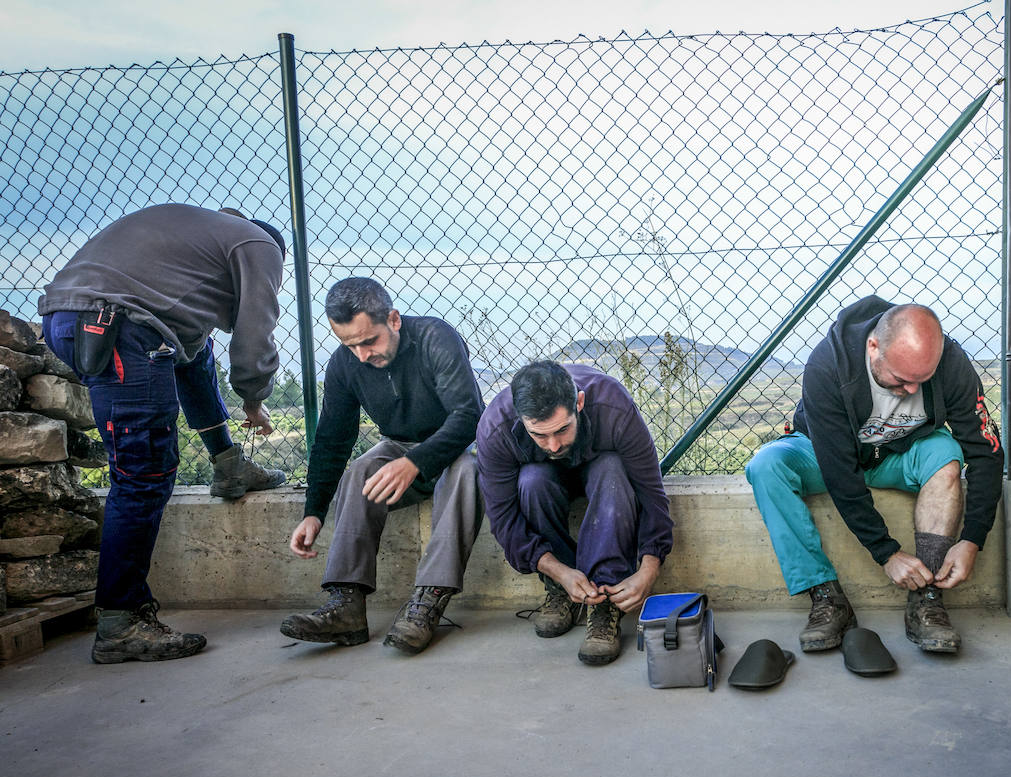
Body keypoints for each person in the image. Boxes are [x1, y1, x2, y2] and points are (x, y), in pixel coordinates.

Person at [38, 203, 289, 664]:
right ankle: (122, 620)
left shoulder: (192, 235)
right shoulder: (261, 245)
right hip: (119, 328)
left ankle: (228, 464)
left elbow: (191, 351)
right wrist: (254, 398)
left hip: (70, 321)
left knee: (193, 348)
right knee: (143, 473)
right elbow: (255, 329)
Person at [745, 296, 1003, 655]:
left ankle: (926, 595)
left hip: (899, 453)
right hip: (829, 455)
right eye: (900, 379)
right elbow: (840, 473)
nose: (911, 390)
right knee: (766, 466)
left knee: (947, 453)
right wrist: (887, 553)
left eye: (921, 380)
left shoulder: (951, 362)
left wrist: (973, 539)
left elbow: (985, 449)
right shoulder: (828, 364)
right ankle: (826, 597)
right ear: (873, 347)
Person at [281, 277, 484, 655]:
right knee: (361, 468)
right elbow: (332, 440)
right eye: (349, 344)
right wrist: (314, 513)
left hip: (457, 446)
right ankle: (346, 607)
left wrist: (415, 462)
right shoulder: (346, 363)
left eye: (368, 341)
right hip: (400, 447)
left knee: (467, 473)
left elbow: (469, 415)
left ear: (393, 320)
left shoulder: (435, 338)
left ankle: (426, 603)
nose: (361, 354)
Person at [476, 361, 673, 665]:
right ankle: (561, 588)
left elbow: (652, 495)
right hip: (545, 484)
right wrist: (556, 569)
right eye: (539, 435)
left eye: (562, 429)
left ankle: (606, 599)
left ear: (579, 402)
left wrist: (649, 570)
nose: (553, 445)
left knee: (612, 469)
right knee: (531, 481)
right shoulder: (494, 429)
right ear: (519, 418)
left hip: (601, 474)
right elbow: (503, 520)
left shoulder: (614, 407)